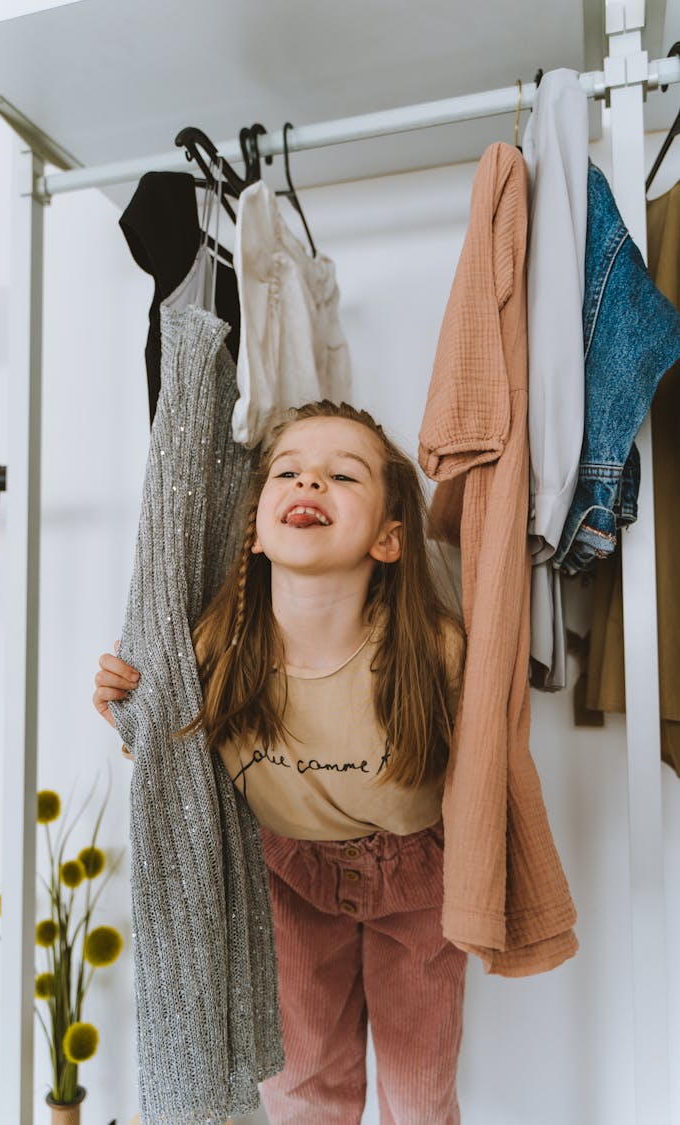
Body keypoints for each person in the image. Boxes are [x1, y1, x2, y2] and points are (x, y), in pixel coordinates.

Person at [93, 399, 467, 1125]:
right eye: (289, 471)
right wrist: (123, 705)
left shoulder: (433, 648)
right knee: (301, 1089)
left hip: (421, 878)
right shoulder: (215, 648)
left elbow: (488, 776)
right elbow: (170, 764)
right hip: (286, 873)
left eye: (342, 476)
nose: (310, 483)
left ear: (390, 538)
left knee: (421, 1095)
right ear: (257, 528)